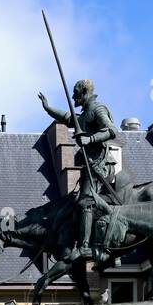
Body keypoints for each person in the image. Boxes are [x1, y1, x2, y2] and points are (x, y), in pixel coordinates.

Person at [38, 78, 117, 259]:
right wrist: (47, 108)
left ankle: (85, 246)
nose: (73, 97)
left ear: (84, 92)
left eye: (76, 93)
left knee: (85, 202)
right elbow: (67, 118)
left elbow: (112, 130)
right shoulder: (83, 114)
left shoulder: (97, 109)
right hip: (89, 164)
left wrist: (90, 139)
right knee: (77, 201)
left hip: (99, 165)